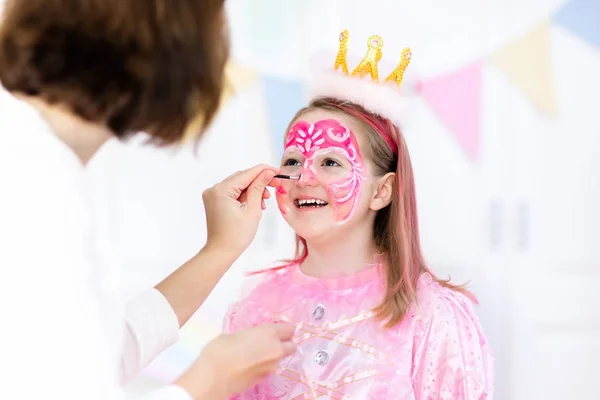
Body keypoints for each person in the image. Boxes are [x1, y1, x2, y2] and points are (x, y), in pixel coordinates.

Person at [0, 1, 295, 399]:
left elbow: (91, 353)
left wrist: (221, 249)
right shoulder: (33, 181)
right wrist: (207, 381)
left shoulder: (42, 165)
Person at [223, 31, 494, 399]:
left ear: (381, 191)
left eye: (330, 162)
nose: (304, 177)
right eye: (292, 161)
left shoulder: (430, 315)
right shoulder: (255, 306)